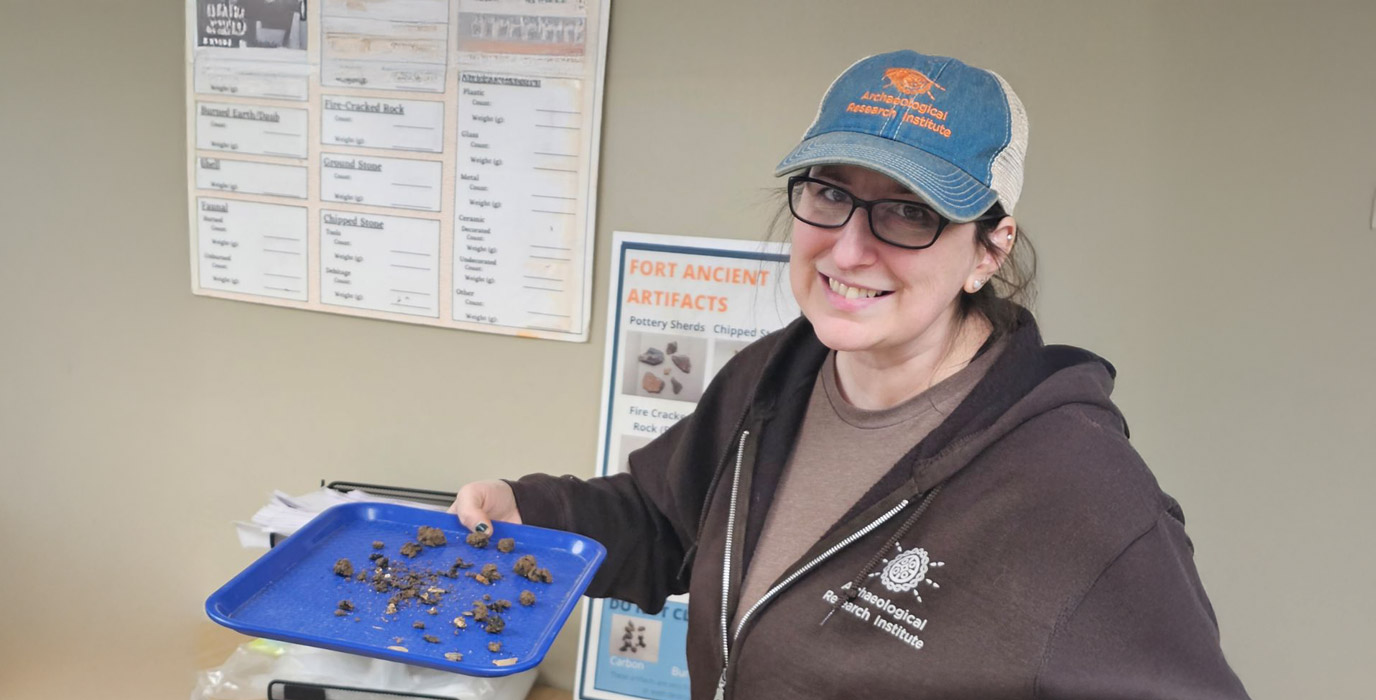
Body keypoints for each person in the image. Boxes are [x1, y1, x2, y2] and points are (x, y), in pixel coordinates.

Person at [451, 50, 1249, 699]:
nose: (849, 249)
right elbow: (666, 522)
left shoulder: (1080, 492)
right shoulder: (777, 377)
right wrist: (533, 510)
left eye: (909, 212)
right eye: (831, 192)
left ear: (990, 249)